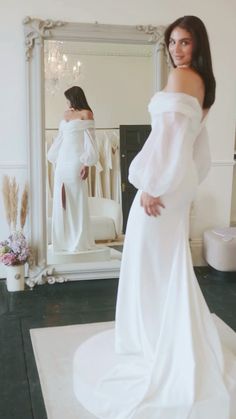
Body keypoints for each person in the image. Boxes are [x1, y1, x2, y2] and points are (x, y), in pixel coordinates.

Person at [73, 16, 236, 418]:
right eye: (172, 43)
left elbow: (167, 140)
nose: (177, 51)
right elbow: (194, 147)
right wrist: (179, 186)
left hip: (163, 185)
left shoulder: (182, 79)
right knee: (164, 262)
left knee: (147, 259)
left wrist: (151, 184)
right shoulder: (204, 86)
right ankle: (163, 335)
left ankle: (151, 340)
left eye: (185, 43)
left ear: (198, 46)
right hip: (176, 184)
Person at [47, 86, 98, 252]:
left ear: (74, 97)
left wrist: (87, 163)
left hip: (76, 160)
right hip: (63, 160)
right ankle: (62, 241)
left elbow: (90, 140)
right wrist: (53, 155)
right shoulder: (66, 114)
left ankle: (77, 240)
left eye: (68, 98)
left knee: (76, 198)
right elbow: (61, 138)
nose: (66, 102)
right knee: (60, 199)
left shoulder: (86, 114)